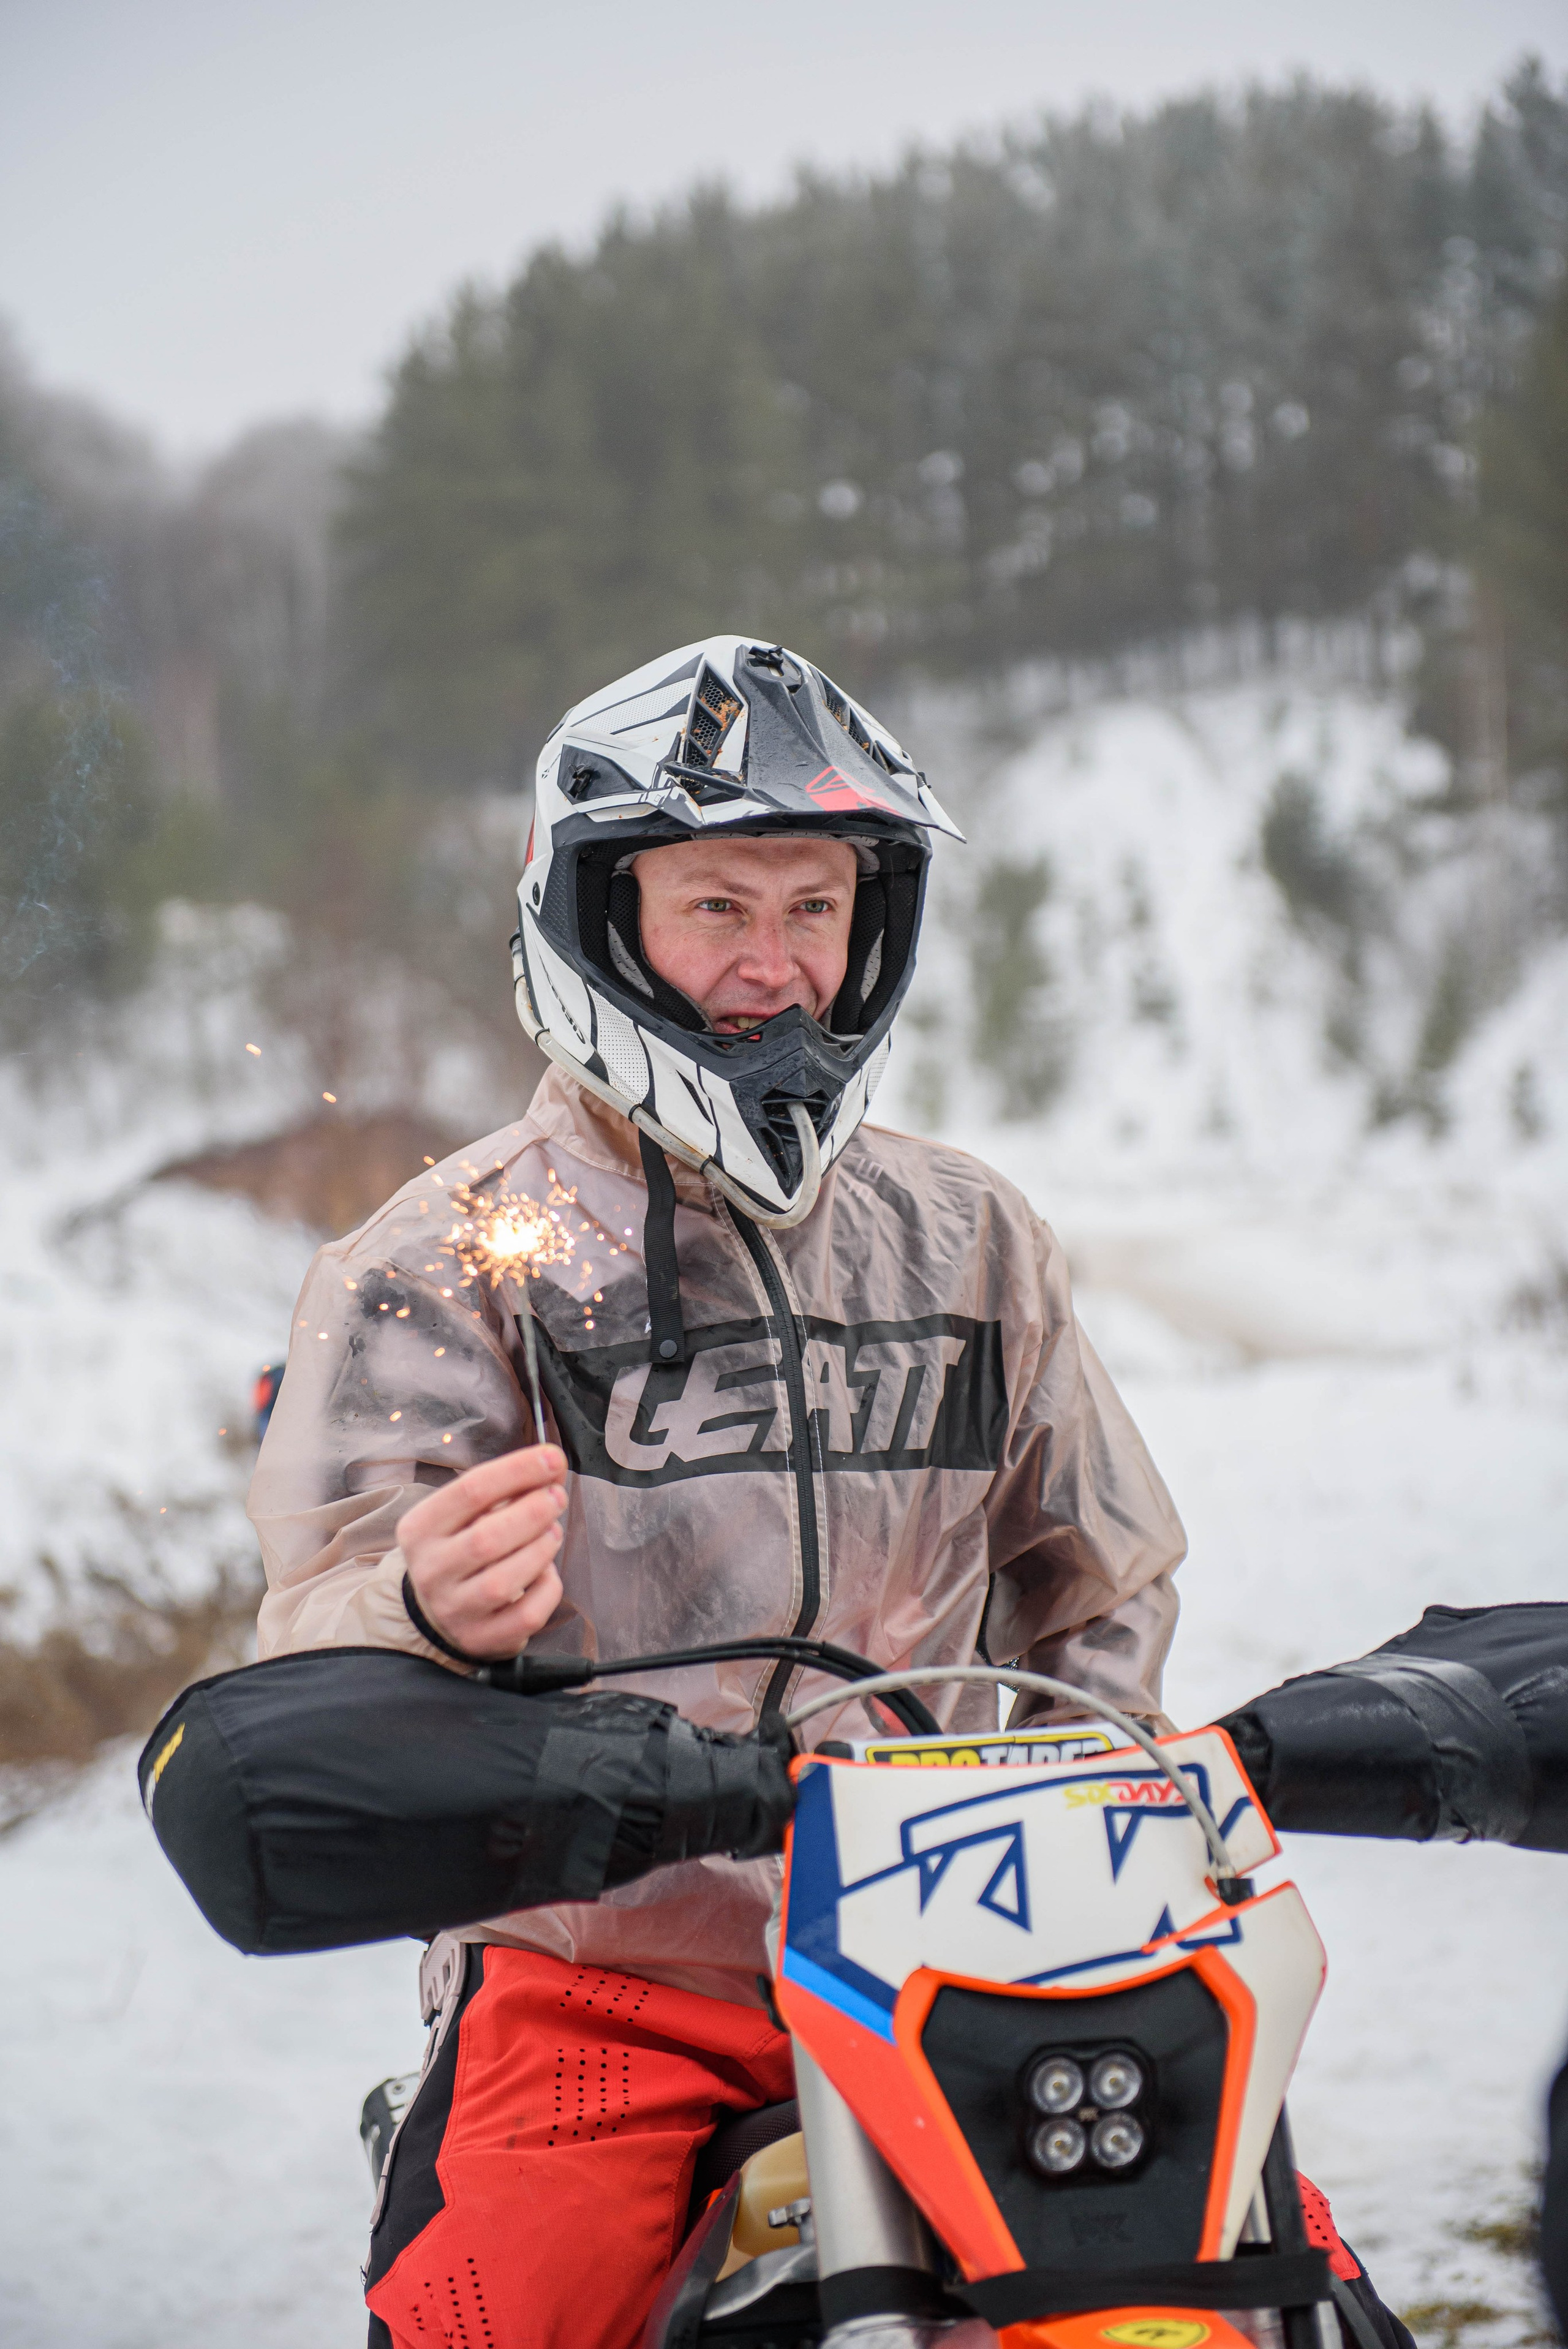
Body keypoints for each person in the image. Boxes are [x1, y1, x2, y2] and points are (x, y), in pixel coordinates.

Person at [249, 636, 1187, 2349]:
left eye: (815, 908)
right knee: (497, 2313)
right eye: (719, 909)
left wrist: (1096, 1806)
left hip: (957, 1942)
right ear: (606, 918)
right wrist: (409, 1608)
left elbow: (1100, 1576)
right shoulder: (443, 1260)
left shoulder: (969, 1234)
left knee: (1248, 2270)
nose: (776, 967)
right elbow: (305, 1639)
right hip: (601, 1978)